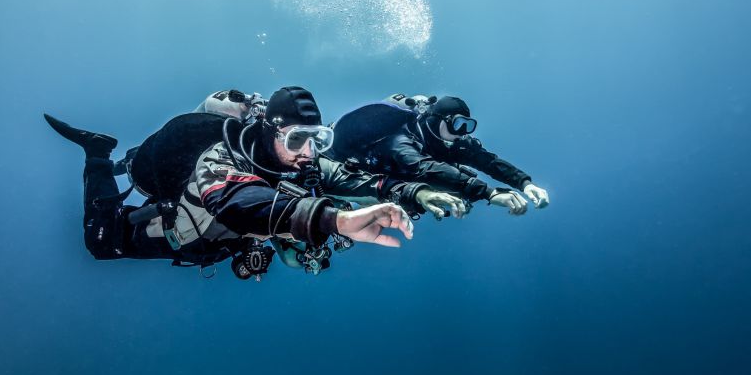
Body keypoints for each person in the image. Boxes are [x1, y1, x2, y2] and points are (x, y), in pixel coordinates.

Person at [45, 87, 465, 280]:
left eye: (317, 141)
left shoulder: (304, 164)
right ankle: (97, 153)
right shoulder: (220, 159)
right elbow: (240, 202)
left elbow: (353, 179)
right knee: (100, 242)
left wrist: (414, 191)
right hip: (178, 233)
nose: (308, 153)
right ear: (270, 131)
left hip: (220, 242)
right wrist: (333, 220)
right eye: (298, 140)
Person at [329, 94, 550, 215]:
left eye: (468, 126)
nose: (462, 133)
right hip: (347, 174)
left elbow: (487, 161)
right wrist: (489, 193)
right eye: (457, 124)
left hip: (393, 186)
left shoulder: (450, 142)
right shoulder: (401, 139)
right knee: (452, 175)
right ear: (439, 120)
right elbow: (423, 167)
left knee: (461, 172)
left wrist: (524, 183)